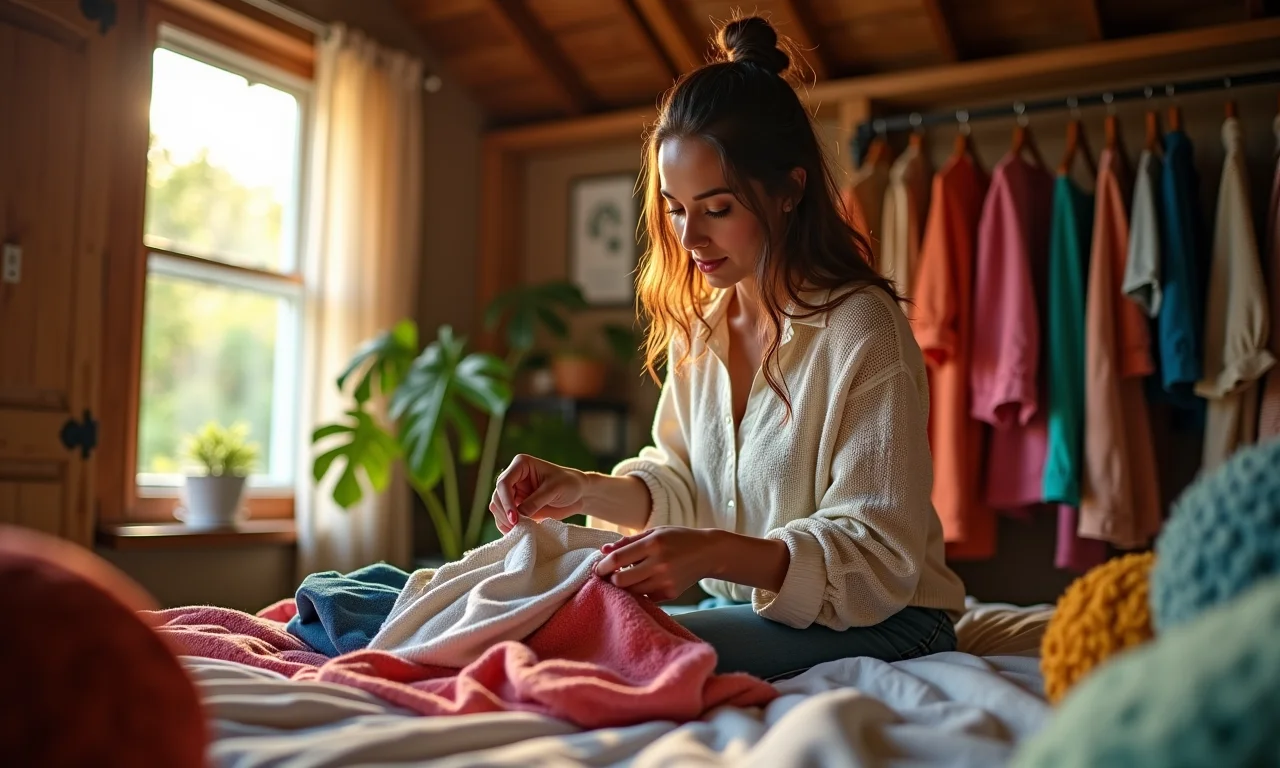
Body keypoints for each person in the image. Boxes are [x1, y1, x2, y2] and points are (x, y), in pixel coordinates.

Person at [489, 15, 967, 681]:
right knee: (542, 620)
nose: (690, 238)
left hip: (891, 621)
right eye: (676, 209)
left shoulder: (862, 330)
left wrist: (715, 553)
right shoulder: (700, 326)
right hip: (752, 613)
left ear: (789, 191)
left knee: (594, 646)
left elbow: (878, 553)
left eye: (717, 209)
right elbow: (683, 481)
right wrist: (583, 489)